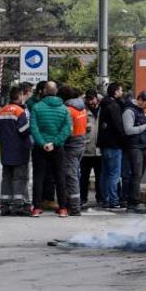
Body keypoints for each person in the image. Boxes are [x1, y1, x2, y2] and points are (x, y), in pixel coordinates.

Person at [30, 81, 72, 217]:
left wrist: (43, 143)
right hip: (58, 147)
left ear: (44, 91)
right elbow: (67, 129)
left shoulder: (37, 107)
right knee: (60, 177)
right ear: (56, 91)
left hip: (40, 148)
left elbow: (34, 128)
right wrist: (54, 143)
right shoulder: (64, 109)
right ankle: (63, 208)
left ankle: (36, 207)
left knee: (38, 177)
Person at [0, 86, 32, 216]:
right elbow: (24, 131)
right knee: (20, 179)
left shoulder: (2, 111)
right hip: (19, 151)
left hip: (6, 151)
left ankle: (5, 206)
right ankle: (18, 206)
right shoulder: (19, 111)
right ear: (20, 96)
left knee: (6, 179)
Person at [123, 91, 146, 213]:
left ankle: (134, 199)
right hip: (134, 147)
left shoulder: (140, 110)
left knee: (138, 175)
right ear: (140, 100)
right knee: (136, 175)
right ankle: (133, 202)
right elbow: (128, 130)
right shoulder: (129, 111)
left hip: (143, 146)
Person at [58, 86, 88, 216]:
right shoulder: (82, 108)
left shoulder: (68, 110)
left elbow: (67, 130)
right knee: (75, 173)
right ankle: (72, 203)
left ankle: (74, 207)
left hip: (71, 146)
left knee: (71, 176)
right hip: (81, 143)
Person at [97, 83, 126, 211]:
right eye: (121, 90)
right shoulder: (114, 106)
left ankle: (105, 199)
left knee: (105, 173)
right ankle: (113, 200)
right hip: (114, 145)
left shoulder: (103, 105)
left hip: (104, 145)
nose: (122, 92)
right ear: (115, 92)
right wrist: (124, 139)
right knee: (114, 174)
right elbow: (118, 126)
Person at [80, 89, 102, 208]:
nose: (90, 101)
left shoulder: (102, 109)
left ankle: (100, 198)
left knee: (99, 176)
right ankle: (83, 198)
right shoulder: (82, 110)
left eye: (92, 99)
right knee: (84, 176)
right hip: (86, 149)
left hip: (98, 150)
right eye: (88, 99)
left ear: (96, 98)